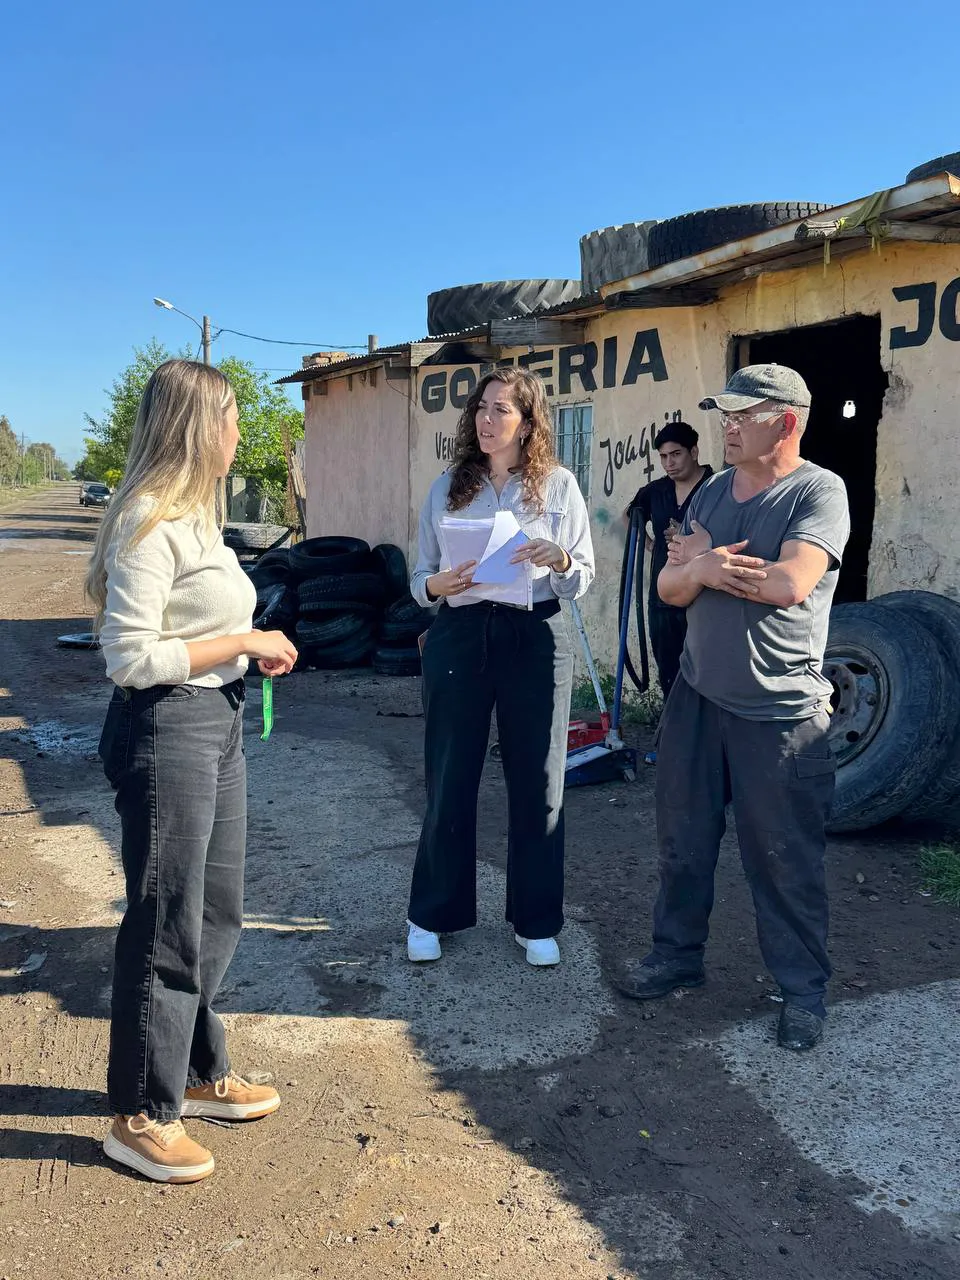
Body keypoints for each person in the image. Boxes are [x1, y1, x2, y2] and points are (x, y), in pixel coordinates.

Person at [86, 360, 298, 1183]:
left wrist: (246, 649)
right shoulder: (148, 520)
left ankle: (201, 1071)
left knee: (217, 912)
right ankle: (139, 1111)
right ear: (194, 425)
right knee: (166, 918)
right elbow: (130, 656)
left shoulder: (199, 519)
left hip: (218, 718)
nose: (241, 433)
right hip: (167, 724)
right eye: (233, 417)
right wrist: (245, 642)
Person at [617, 364, 849, 1053]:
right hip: (697, 694)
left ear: (785, 420)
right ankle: (677, 956)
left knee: (783, 858)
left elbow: (789, 581)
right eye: (725, 414)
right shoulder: (714, 488)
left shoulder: (818, 491)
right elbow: (670, 586)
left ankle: (803, 992)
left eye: (742, 414)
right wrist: (699, 569)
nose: (728, 425)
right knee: (682, 841)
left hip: (778, 710)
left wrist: (708, 564)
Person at [408, 367, 594, 968]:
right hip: (460, 633)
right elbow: (420, 576)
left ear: (528, 421)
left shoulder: (559, 487)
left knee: (539, 781)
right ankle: (432, 914)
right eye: (481, 408)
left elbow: (582, 574)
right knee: (450, 775)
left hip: (535, 634)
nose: (487, 420)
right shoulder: (446, 487)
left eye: (502, 410)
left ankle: (535, 920)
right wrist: (436, 584)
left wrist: (559, 555)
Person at [625, 422, 712, 705]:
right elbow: (629, 517)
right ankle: (672, 738)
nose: (669, 463)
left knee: (705, 672)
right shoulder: (656, 490)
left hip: (705, 597)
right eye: (663, 457)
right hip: (663, 597)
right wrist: (652, 547)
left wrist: (691, 541)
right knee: (669, 673)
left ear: (694, 451)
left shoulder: (716, 487)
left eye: (675, 454)